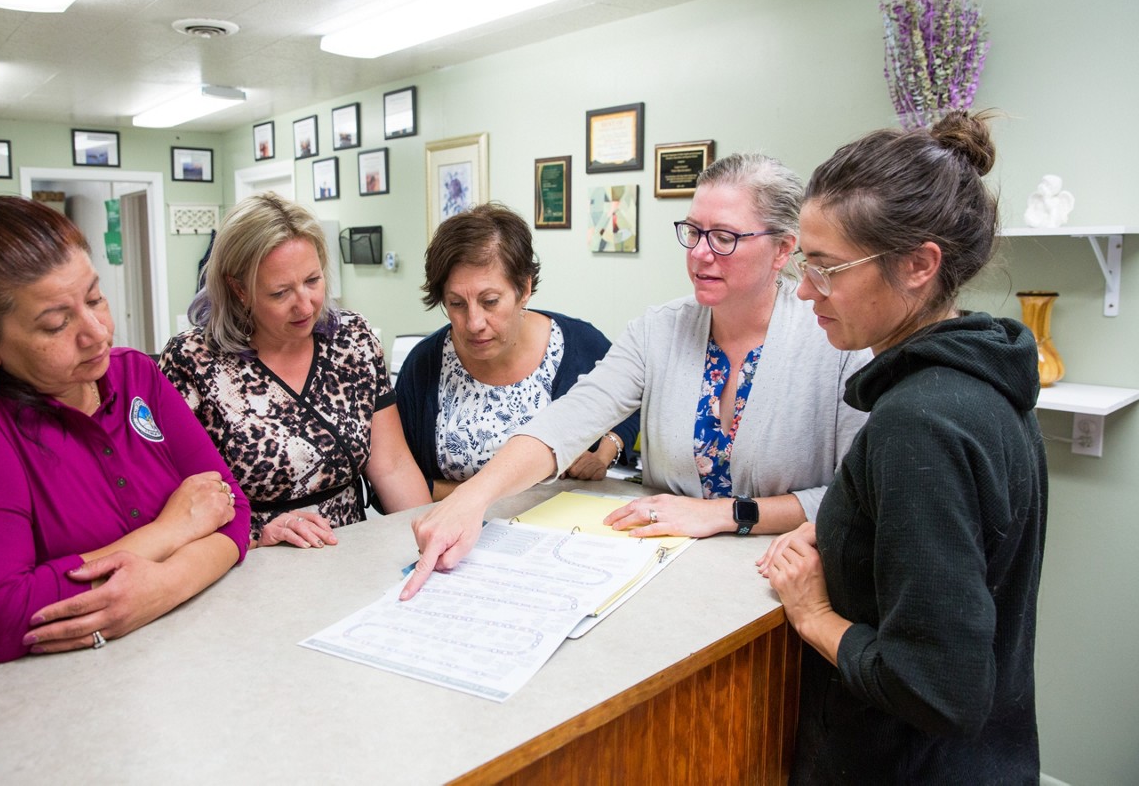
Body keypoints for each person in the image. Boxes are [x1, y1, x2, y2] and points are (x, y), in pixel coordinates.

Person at [402, 153, 870, 599]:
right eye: (693, 232)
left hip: (784, 580)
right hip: (658, 572)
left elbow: (857, 501)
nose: (700, 255)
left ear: (782, 249)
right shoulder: (658, 330)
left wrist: (723, 515)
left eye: (724, 237)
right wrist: (473, 498)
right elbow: (570, 419)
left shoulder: (837, 340)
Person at [760, 111, 1047, 781]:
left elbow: (937, 686)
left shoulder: (918, 423)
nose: (805, 292)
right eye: (804, 265)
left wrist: (813, 613)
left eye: (827, 269)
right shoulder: (984, 382)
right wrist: (839, 539)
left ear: (918, 265)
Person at [0, 196, 250, 663]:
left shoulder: (135, 374)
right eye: (56, 324)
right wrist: (173, 530)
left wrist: (162, 587)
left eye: (95, 298)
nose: (96, 332)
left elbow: (230, 509)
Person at [161, 193, 429, 548]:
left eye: (313, 281)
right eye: (280, 292)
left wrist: (428, 536)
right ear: (238, 289)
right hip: (247, 561)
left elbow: (392, 465)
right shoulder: (191, 362)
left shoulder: (353, 340)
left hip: (352, 552)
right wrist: (256, 537)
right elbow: (173, 505)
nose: (305, 305)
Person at [395, 203, 639, 501]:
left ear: (523, 289)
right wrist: (481, 498)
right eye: (456, 304)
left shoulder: (581, 344)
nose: (474, 323)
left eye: (490, 301)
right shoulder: (424, 367)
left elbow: (633, 401)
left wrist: (607, 451)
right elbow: (398, 482)